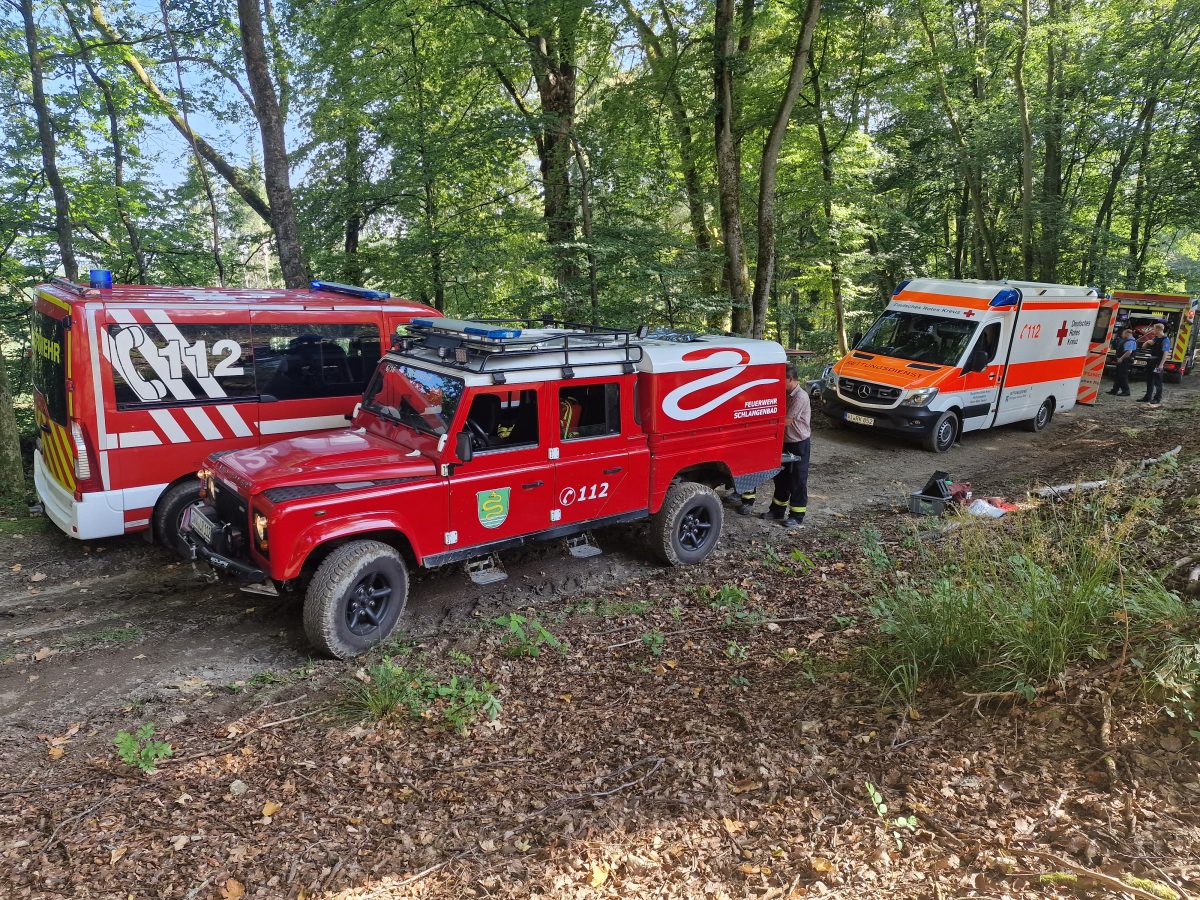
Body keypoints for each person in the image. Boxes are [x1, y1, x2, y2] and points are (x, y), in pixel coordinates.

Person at [739, 364, 810, 527]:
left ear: (790, 379)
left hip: (799, 444)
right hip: (783, 442)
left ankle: (797, 516)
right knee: (781, 478)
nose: (779, 383)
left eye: (781, 380)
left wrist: (760, 423)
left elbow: (786, 420)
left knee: (797, 480)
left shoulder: (800, 396)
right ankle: (777, 510)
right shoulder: (785, 393)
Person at [1138, 322, 1171, 406]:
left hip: (1158, 363)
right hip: (1151, 362)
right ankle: (1147, 397)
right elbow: (1144, 347)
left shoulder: (1165, 340)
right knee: (1149, 380)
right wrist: (1147, 342)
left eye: (1154, 329)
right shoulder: (1155, 338)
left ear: (1159, 329)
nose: (1153, 330)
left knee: (1157, 381)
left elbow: (1165, 353)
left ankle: (1157, 398)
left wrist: (1161, 365)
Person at [1106, 327, 1136, 397]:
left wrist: (1121, 358)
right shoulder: (1126, 340)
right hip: (1123, 360)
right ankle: (1114, 390)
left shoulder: (1130, 341)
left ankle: (1126, 391)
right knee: (1118, 375)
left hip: (1125, 360)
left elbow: (1129, 351)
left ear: (1127, 333)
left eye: (1123, 333)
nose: (1122, 335)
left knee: (1122, 376)